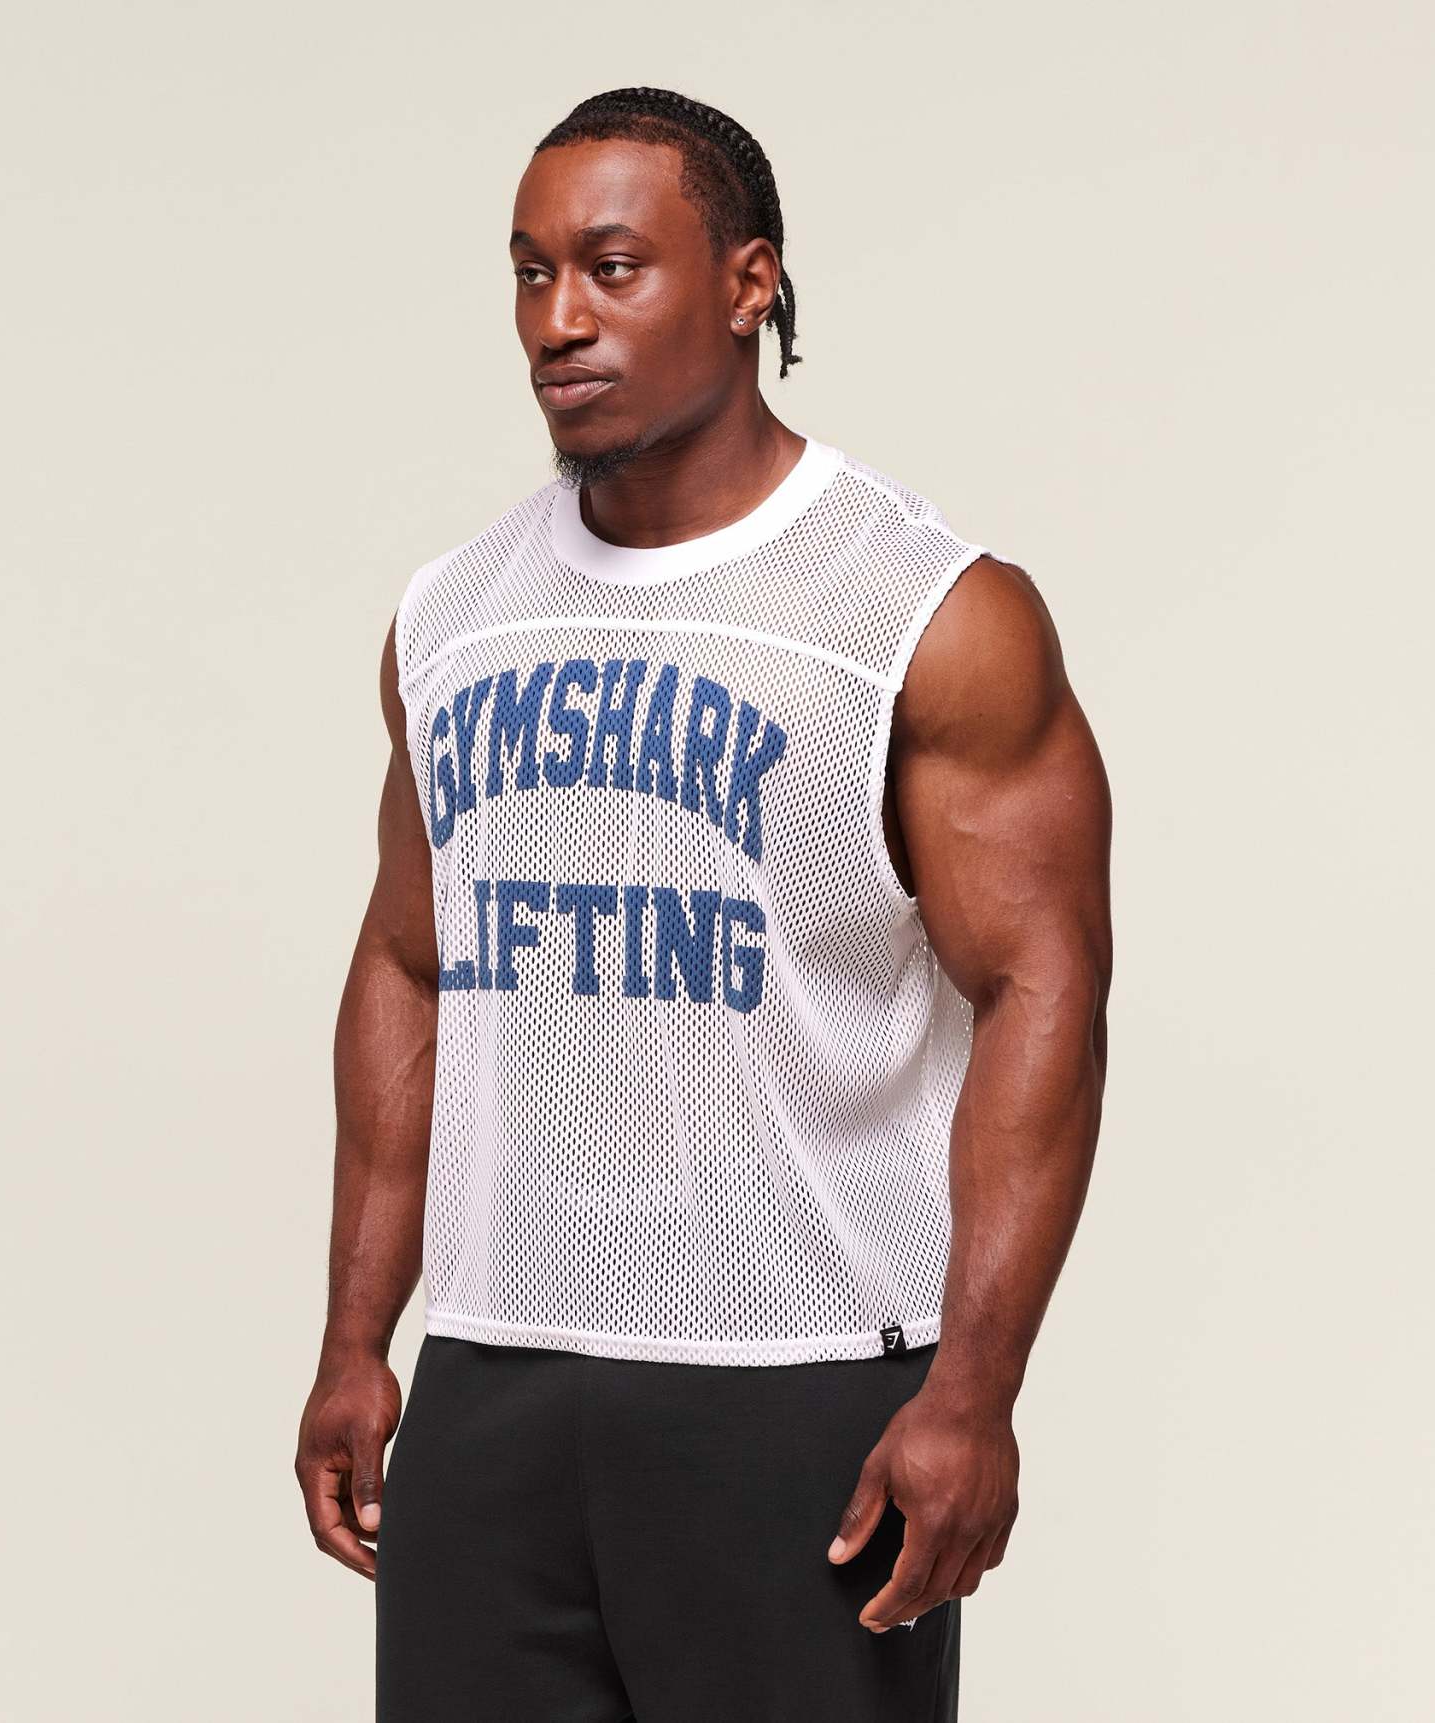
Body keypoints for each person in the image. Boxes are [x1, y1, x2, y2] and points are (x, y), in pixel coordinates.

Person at [295, 85, 1113, 1723]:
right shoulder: (453, 613)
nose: (558, 320)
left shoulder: (918, 611)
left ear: (749, 283)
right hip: (495, 1375)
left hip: (795, 1387)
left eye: (611, 267)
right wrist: (355, 1338)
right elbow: (405, 959)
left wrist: (972, 1389)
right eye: (530, 273)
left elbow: (1042, 989)